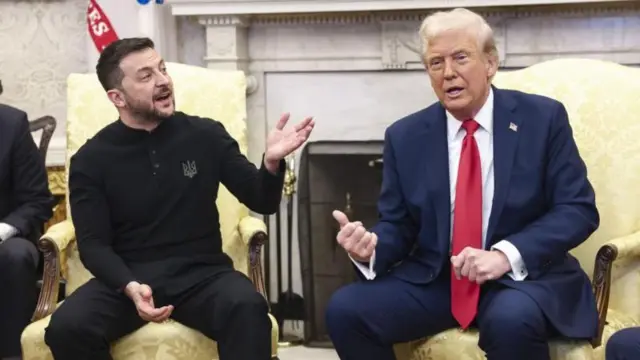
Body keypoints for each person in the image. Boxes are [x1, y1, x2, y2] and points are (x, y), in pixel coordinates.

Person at [325, 8, 599, 360]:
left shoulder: (542, 119)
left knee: (510, 320)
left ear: (490, 63)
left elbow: (576, 209)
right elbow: (399, 223)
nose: (448, 73)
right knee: (346, 310)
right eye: (436, 63)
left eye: (460, 58)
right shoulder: (405, 136)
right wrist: (372, 249)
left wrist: (505, 255)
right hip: (438, 281)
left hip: (519, 280)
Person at [43, 37, 314, 360]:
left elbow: (261, 198)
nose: (163, 81)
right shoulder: (92, 158)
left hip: (203, 273)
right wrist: (129, 286)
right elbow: (94, 244)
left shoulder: (206, 135)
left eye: (162, 69)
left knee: (247, 306)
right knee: (67, 327)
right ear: (117, 97)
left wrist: (271, 163)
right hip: (130, 278)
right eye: (146, 76)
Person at [0, 98, 54, 358]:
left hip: (6, 236)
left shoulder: (11, 124)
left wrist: (3, 230)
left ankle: (13, 354)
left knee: (16, 254)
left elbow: (38, 200)